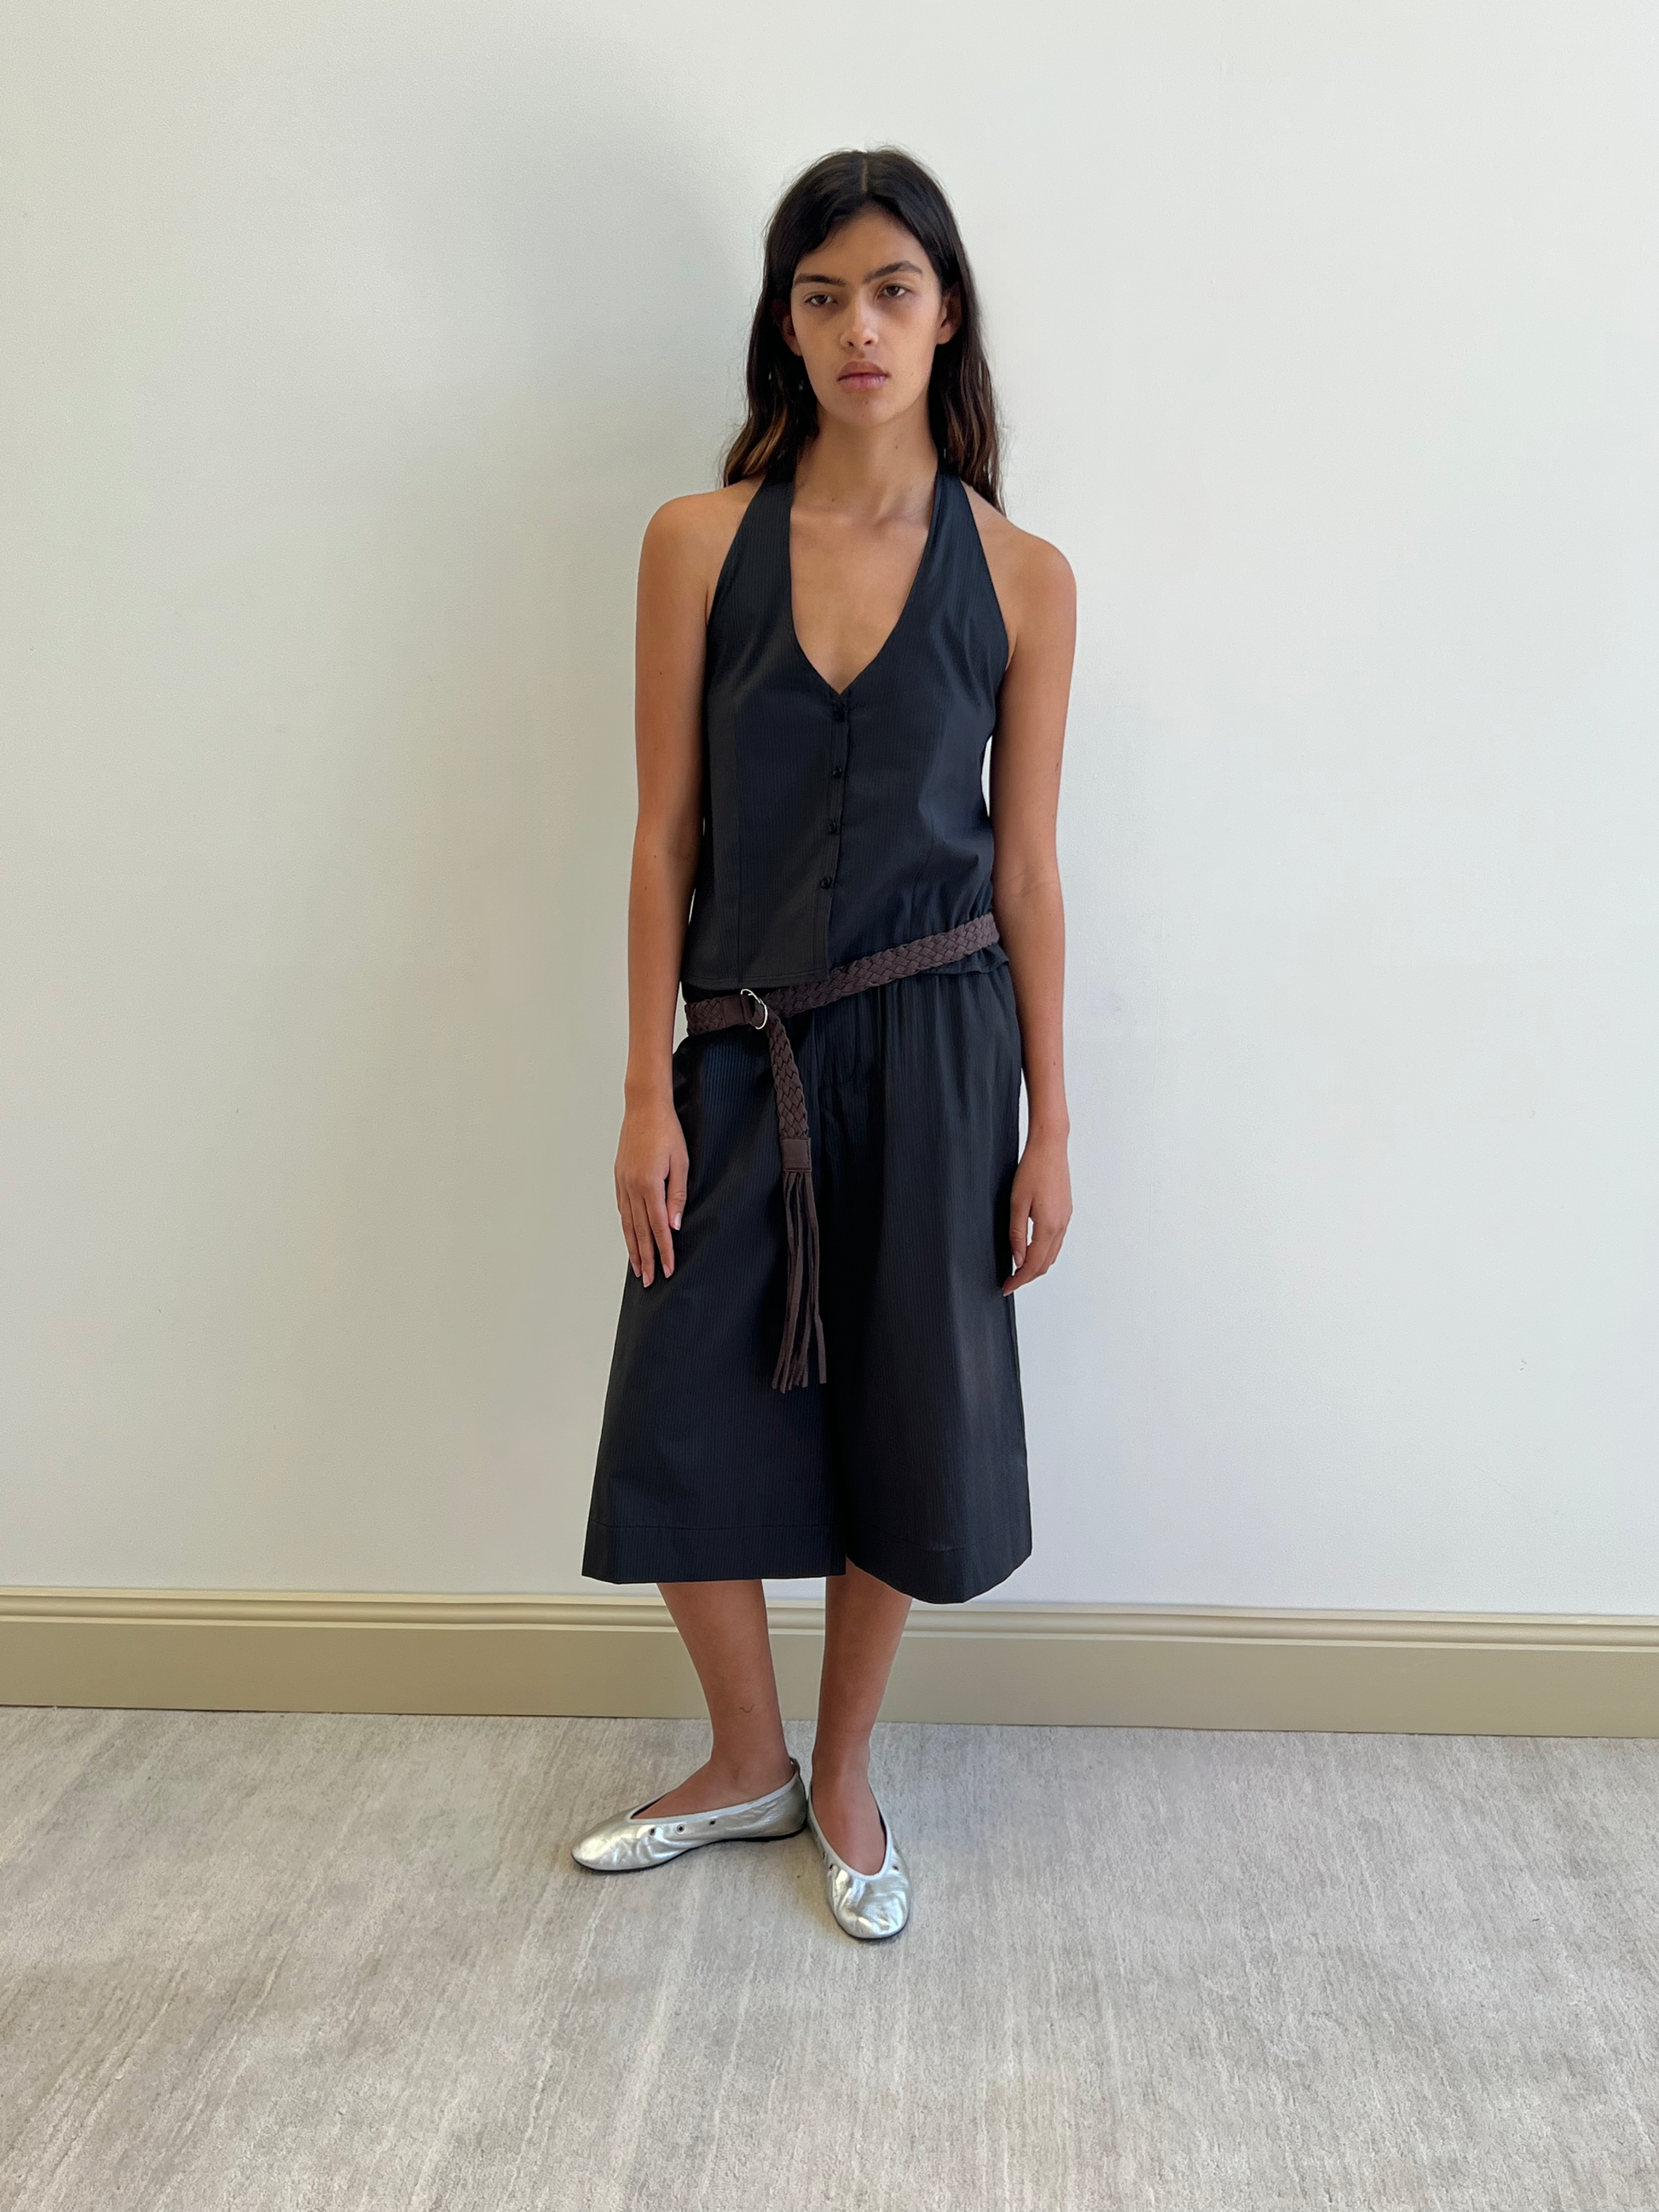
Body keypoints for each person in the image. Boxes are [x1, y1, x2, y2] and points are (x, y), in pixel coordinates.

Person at [573, 147, 1075, 1940]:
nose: (859, 327)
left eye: (893, 291)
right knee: (678, 1408)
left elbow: (1024, 872)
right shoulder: (695, 544)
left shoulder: (1020, 576)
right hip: (740, 1047)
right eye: (822, 293)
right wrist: (646, 1084)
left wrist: (1052, 1122)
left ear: (946, 321)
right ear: (781, 326)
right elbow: (663, 839)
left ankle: (843, 1768)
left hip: (945, 1052)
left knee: (902, 1417)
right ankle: (743, 1755)